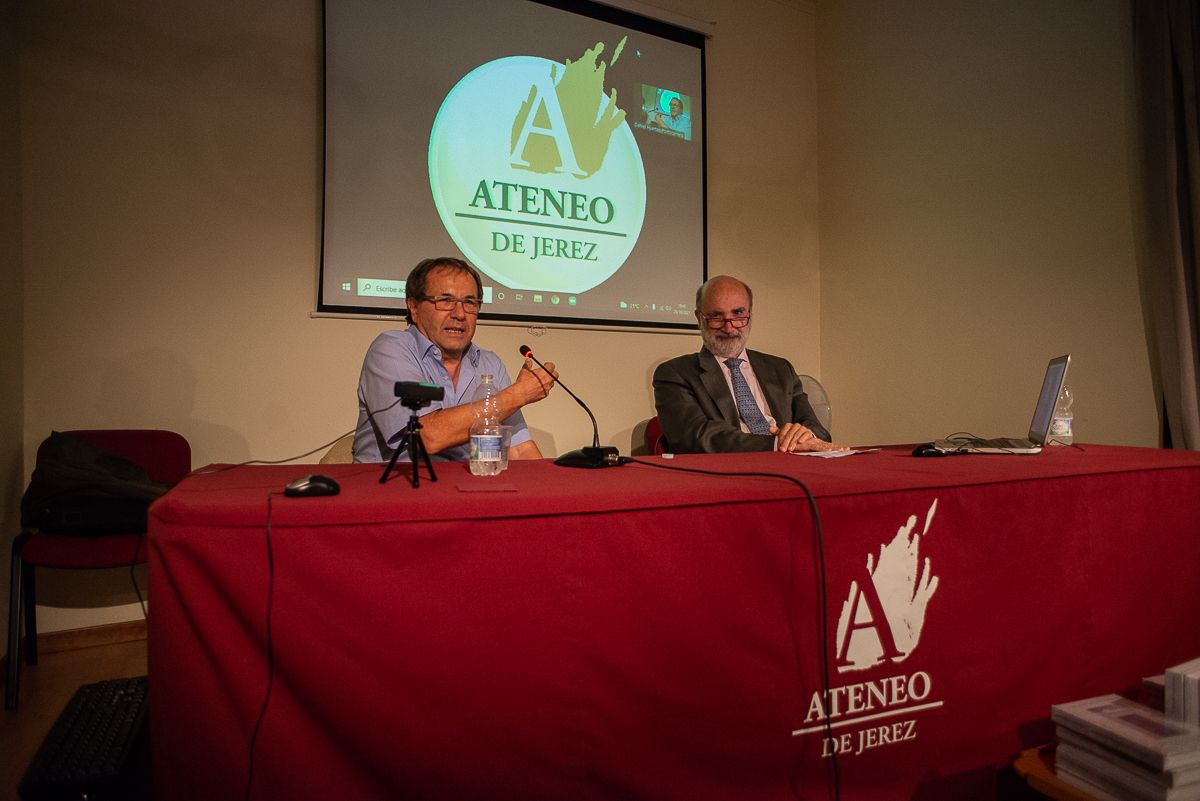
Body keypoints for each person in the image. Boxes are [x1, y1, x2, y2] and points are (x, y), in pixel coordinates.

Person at [353, 257, 557, 463]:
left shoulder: (490, 363)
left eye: (469, 303)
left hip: (465, 490)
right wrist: (519, 394)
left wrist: (552, 490)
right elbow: (427, 436)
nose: (459, 314)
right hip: (393, 489)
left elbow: (519, 450)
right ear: (413, 307)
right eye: (445, 301)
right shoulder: (391, 349)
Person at [652, 275, 839, 454]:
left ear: (750, 312)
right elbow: (698, 437)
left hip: (794, 466)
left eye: (738, 314)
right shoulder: (675, 374)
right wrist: (776, 444)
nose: (729, 327)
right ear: (699, 318)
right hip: (729, 474)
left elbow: (817, 429)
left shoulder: (781, 368)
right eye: (716, 316)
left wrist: (805, 436)